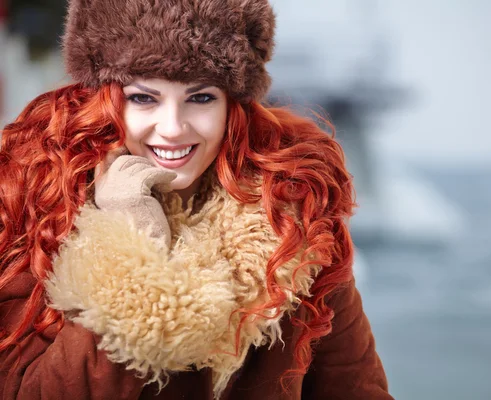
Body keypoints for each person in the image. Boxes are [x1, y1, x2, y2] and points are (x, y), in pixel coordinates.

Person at [0, 0, 393, 398]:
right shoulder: (36, 208)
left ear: (232, 107)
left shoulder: (295, 220)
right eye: (143, 98)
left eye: (201, 98)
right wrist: (130, 249)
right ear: (106, 100)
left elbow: (354, 388)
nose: (172, 128)